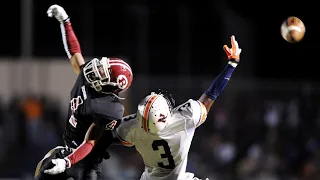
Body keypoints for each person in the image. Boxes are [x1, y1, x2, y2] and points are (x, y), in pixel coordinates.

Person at [116, 35, 241, 180]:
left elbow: (113, 137)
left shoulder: (132, 126)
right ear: (165, 116)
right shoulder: (184, 118)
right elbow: (210, 95)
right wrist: (232, 64)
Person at [34, 4, 133, 180]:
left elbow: (90, 142)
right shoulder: (89, 77)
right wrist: (65, 22)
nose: (97, 69)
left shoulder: (110, 109)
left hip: (85, 162)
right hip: (65, 149)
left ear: (112, 86)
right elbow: (75, 53)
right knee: (41, 172)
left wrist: (67, 162)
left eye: (104, 72)